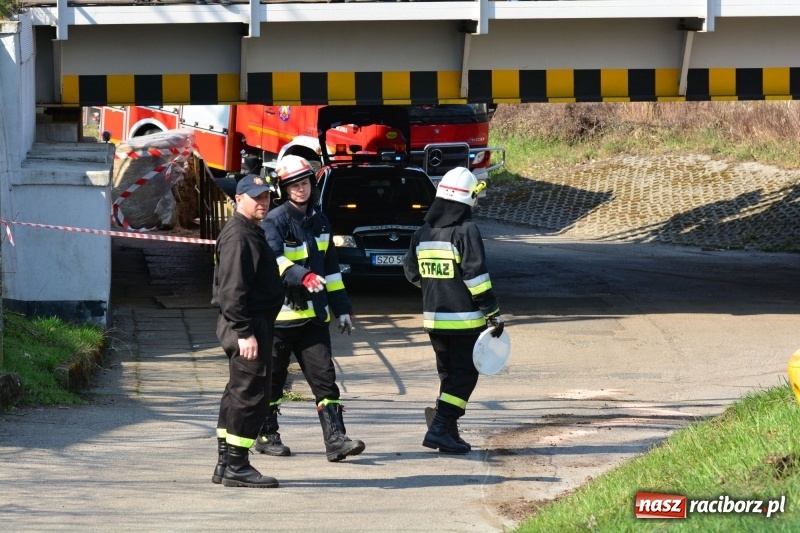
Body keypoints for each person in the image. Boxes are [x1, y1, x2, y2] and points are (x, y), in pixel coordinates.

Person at [255, 155, 365, 462]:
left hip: (314, 320)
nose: (299, 189)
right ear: (284, 188)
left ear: (311, 184)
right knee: (272, 381)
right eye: (292, 185)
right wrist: (302, 275)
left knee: (325, 379)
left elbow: (331, 269)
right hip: (280, 319)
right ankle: (266, 435)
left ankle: (336, 440)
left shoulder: (321, 221)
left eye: (303, 183)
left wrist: (342, 309)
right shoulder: (274, 221)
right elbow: (274, 260)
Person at [403, 167, 505, 454]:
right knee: (464, 378)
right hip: (465, 321)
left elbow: (411, 272)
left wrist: (437, 290)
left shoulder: (423, 232)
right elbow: (476, 276)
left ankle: (448, 432)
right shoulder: (466, 230)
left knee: (448, 376)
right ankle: (438, 429)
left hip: (434, 320)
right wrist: (492, 312)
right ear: (467, 199)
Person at [211, 173, 284, 488]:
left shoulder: (248, 232)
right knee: (250, 395)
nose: (263, 202)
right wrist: (245, 332)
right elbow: (232, 291)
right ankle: (238, 467)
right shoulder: (240, 236)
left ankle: (225, 462)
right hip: (248, 324)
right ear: (238, 199)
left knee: (237, 392)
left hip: (251, 322)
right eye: (257, 197)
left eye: (267, 196)